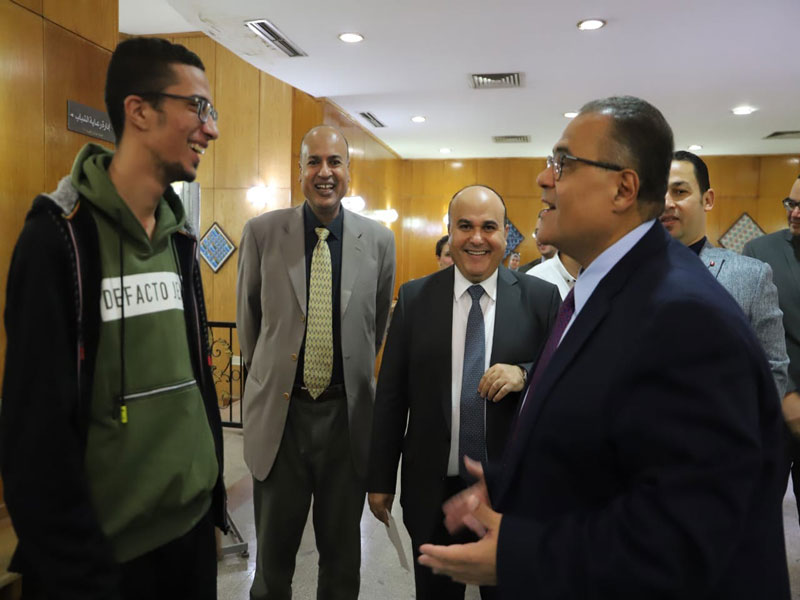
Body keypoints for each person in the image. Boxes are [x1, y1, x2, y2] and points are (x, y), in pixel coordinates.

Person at [418, 96, 790, 599]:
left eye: (563, 163)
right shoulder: (606, 290)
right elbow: (611, 443)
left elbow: (686, 530)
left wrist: (521, 553)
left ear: (623, 188)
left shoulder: (683, 315)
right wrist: (515, 483)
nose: (543, 179)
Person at [1, 37, 226, 600]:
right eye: (198, 107)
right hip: (102, 565)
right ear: (140, 110)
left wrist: (211, 505)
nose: (211, 128)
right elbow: (33, 436)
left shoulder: (179, 238)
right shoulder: (59, 238)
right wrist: (77, 569)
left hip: (190, 543)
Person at [368, 185, 559, 600]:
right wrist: (380, 478)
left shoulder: (541, 299)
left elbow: (560, 381)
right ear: (449, 232)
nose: (476, 237)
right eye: (465, 226)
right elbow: (391, 396)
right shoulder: (415, 298)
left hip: (507, 491)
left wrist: (524, 373)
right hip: (431, 490)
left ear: (506, 234)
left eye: (489, 227)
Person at [236, 125, 396, 600]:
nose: (324, 172)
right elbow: (250, 325)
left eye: (335, 162)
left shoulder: (380, 241)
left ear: (348, 171)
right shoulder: (262, 233)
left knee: (342, 562)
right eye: (314, 162)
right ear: (300, 170)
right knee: (272, 566)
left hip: (346, 423)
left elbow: (375, 328)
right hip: (281, 421)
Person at [664, 150, 788, 395]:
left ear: (707, 200)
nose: (666, 203)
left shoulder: (751, 276)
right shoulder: (626, 275)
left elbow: (773, 369)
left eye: (680, 192)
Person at [743, 174, 800, 522]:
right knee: (755, 517)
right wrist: (788, 396)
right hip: (773, 409)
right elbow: (749, 334)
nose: (795, 213)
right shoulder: (759, 253)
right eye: (792, 204)